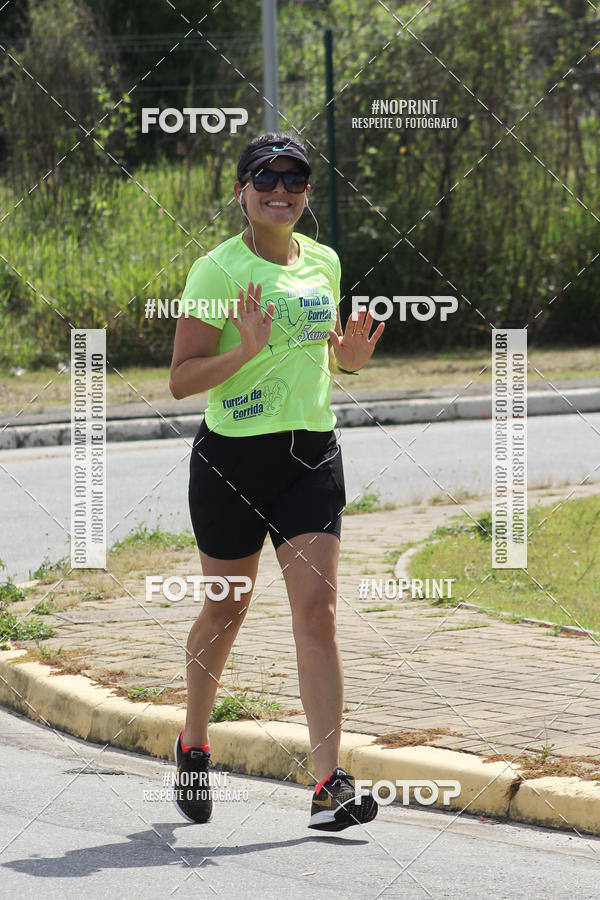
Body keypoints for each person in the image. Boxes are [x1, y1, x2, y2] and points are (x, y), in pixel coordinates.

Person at [169, 131, 384, 831]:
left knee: (317, 615)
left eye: (295, 183)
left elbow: (329, 358)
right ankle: (194, 743)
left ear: (307, 195)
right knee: (226, 612)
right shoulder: (216, 272)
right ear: (243, 193)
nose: (282, 193)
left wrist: (349, 358)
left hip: (311, 457)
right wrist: (248, 350)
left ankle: (328, 782)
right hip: (231, 463)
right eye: (267, 182)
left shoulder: (322, 261)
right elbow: (180, 381)